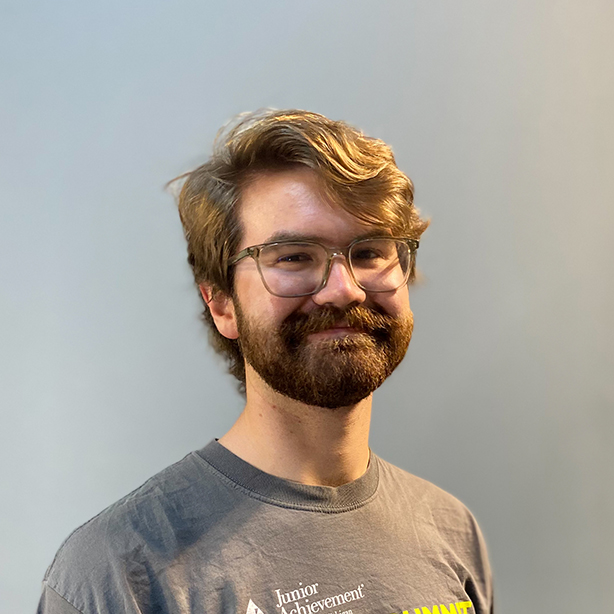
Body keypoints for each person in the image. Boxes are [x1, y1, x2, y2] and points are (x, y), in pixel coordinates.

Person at [38, 109, 494, 614]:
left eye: (369, 252)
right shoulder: (118, 574)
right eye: (294, 256)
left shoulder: (451, 530)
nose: (344, 290)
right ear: (222, 304)